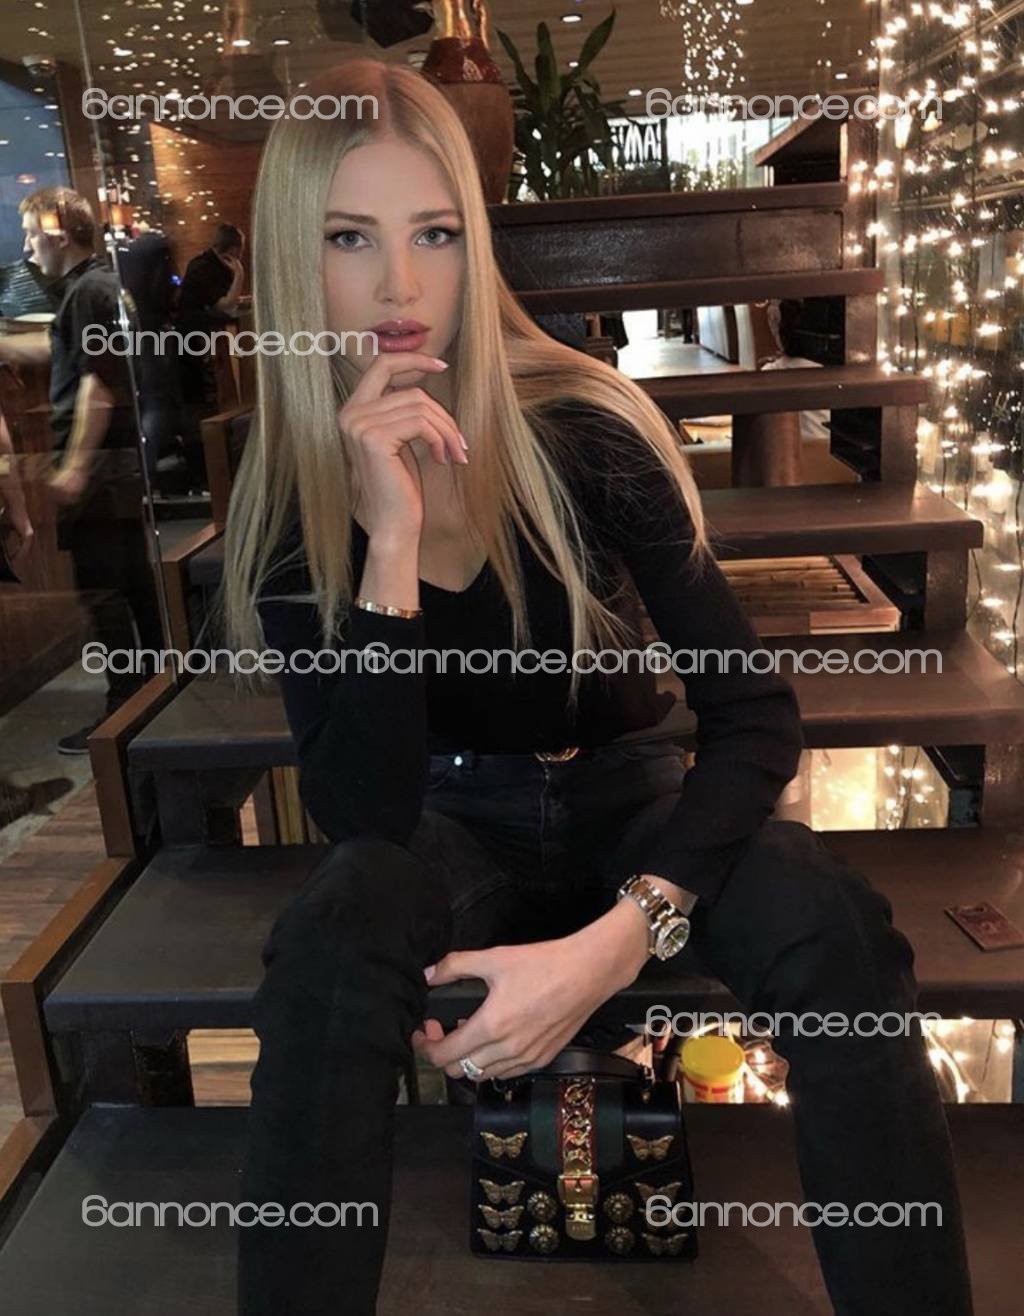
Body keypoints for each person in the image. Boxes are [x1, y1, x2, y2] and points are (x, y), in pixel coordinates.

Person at [220, 59, 973, 1316]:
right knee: (330, 937)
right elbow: (363, 814)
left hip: (629, 800)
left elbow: (753, 715)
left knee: (831, 920)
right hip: (446, 823)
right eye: (350, 238)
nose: (399, 286)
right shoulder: (294, 493)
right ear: (299, 259)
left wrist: (621, 938)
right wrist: (386, 544)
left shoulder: (581, 429)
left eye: (433, 233)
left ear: (472, 245)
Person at [0, 187, 165, 753]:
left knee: (105, 591)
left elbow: (98, 384)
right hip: (115, 465)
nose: (27, 249)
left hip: (101, 468)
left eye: (31, 235)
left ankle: (125, 709)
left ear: (59, 233)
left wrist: (74, 467)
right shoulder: (97, 287)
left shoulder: (89, 291)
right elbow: (71, 355)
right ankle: (154, 694)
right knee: (133, 584)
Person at [175, 222, 245, 489]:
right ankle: (206, 474)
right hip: (194, 344)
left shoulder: (207, 265)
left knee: (205, 406)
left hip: (199, 342)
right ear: (233, 249)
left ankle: (210, 471)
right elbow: (226, 306)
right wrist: (239, 275)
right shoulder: (205, 268)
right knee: (203, 407)